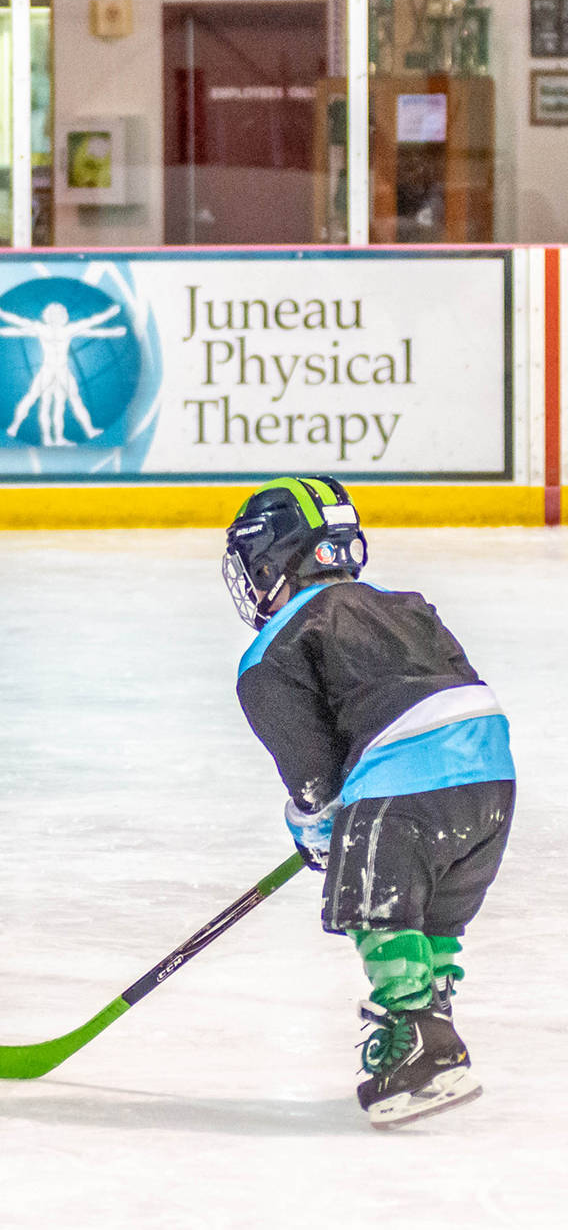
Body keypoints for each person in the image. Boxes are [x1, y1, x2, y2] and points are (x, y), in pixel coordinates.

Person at [224, 475, 514, 1129]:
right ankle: (435, 1015)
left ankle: (414, 1036)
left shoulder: (269, 654)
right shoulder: (407, 603)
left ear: (271, 560)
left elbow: (317, 788)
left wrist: (317, 830)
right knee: (428, 917)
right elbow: (455, 690)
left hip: (407, 789)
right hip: (493, 779)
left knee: (378, 910)